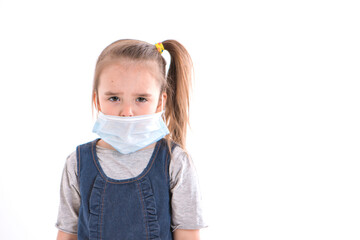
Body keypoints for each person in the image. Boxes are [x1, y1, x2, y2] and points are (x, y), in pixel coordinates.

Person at [56, 39, 207, 240]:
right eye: (114, 98)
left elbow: (188, 235)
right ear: (96, 100)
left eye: (141, 99)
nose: (127, 112)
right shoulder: (77, 163)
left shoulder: (175, 161)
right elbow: (67, 234)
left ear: (160, 102)